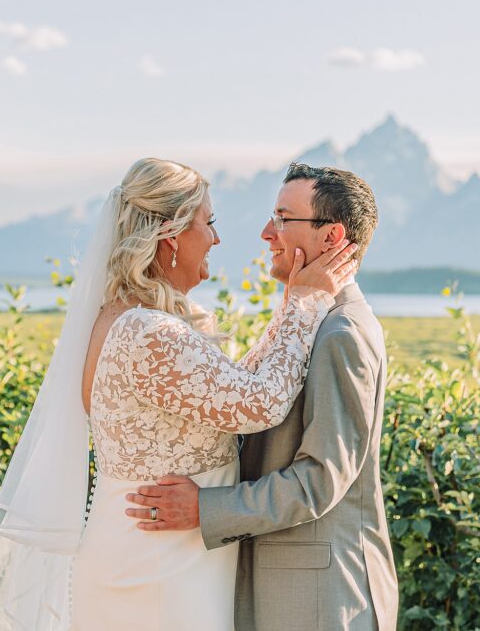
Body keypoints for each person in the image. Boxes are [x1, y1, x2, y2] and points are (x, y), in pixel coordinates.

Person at [0, 158, 359, 630]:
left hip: (165, 555)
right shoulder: (147, 333)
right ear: (170, 235)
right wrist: (306, 303)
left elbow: (238, 384)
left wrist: (293, 304)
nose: (217, 239)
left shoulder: (130, 317)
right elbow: (261, 403)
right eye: (208, 222)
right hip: (157, 568)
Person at [125, 163, 399, 630]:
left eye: (282, 219)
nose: (266, 233)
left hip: (320, 598)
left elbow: (320, 479)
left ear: (331, 236)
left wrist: (204, 508)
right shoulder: (311, 318)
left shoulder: (342, 333)